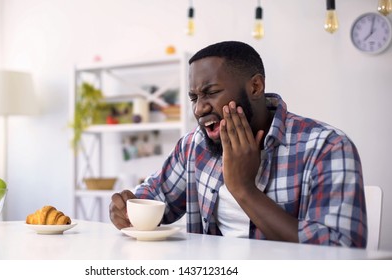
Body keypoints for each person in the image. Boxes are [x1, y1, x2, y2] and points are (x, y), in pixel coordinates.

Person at [109, 41, 367, 247]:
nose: (199, 109)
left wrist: (244, 189)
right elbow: (154, 199)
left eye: (211, 92)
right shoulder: (194, 146)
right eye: (193, 97)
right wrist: (126, 206)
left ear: (255, 87)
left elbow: (340, 252)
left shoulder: (327, 147)